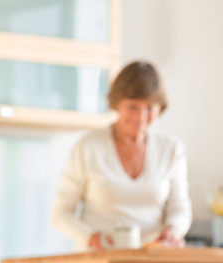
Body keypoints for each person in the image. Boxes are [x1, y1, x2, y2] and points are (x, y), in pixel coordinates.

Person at [52, 60, 192, 250]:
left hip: (152, 261)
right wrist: (92, 238)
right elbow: (61, 214)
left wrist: (173, 231)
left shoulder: (172, 149)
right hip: (98, 260)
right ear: (117, 103)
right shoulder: (88, 147)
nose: (141, 117)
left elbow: (180, 208)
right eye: (133, 107)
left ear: (159, 108)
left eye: (149, 108)